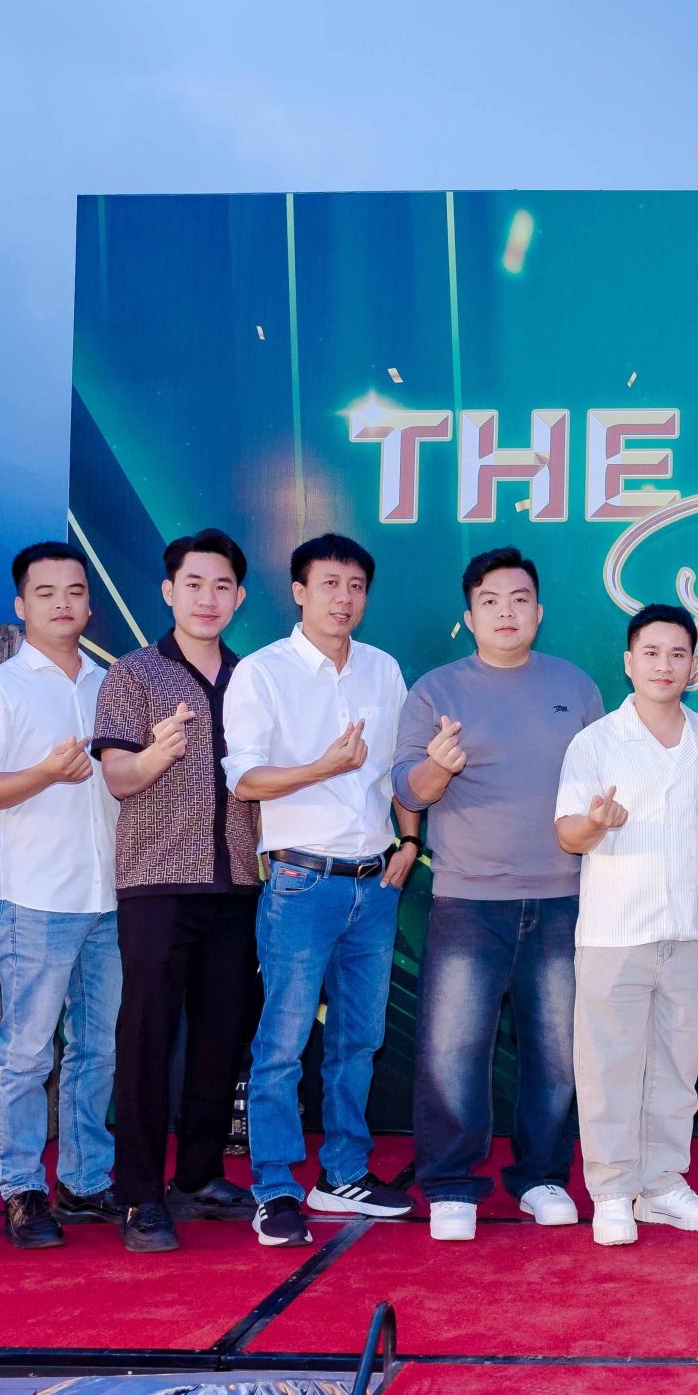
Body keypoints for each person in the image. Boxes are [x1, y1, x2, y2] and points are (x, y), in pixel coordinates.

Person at [391, 546, 605, 1242]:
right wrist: (438, 766)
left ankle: (542, 1176)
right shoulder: (436, 692)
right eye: (490, 601)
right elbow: (408, 791)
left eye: (518, 600)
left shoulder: (576, 686)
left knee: (557, 1051)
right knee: (453, 1048)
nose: (505, 612)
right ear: (470, 614)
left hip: (563, 896)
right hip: (469, 898)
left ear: (539, 612)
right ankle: (452, 1183)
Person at [223, 534, 417, 1247]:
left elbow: (400, 770)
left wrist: (410, 843)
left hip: (376, 880)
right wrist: (321, 766)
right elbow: (245, 780)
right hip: (301, 881)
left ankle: (343, 1173)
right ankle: (274, 1186)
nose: (344, 598)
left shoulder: (383, 669)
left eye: (356, 585)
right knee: (282, 1041)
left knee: (359, 1039)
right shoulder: (263, 672)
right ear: (299, 592)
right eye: (330, 583)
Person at [93, 528, 265, 1254]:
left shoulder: (255, 677)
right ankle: (139, 1193)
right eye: (193, 584)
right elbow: (117, 776)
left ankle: (198, 1175)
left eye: (221, 585)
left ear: (239, 596)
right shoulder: (133, 673)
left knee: (221, 1036)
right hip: (156, 882)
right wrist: (157, 754)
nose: (207, 598)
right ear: (168, 591)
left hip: (237, 883)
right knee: (147, 1039)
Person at [0, 542, 123, 1250]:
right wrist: (46, 773)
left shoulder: (113, 684)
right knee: (26, 1053)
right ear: (21, 605)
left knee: (97, 1050)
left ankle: (85, 1180)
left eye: (75, 591)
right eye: (46, 592)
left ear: (89, 604)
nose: (63, 603)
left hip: (111, 897)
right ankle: (21, 1187)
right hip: (36, 899)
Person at [555, 604, 698, 1247]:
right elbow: (568, 834)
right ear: (629, 662)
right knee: (608, 1069)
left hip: (689, 931)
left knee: (676, 1069)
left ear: (693, 664)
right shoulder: (596, 742)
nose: (665, 665)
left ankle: (661, 1186)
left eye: (677, 654)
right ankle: (611, 1192)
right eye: (651, 653)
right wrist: (597, 822)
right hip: (615, 933)